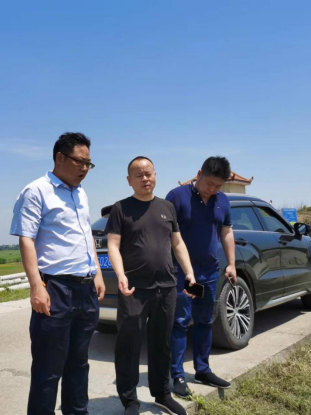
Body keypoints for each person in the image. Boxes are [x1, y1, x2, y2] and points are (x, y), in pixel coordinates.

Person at [10, 132, 106, 415]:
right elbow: (26, 239)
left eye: (89, 164)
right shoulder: (36, 191)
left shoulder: (81, 193)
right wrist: (36, 287)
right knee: (48, 368)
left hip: (85, 289)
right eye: (80, 162)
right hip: (55, 289)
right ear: (60, 158)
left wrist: (97, 272)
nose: (85, 168)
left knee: (79, 363)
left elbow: (86, 235)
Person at [106, 156, 195, 415]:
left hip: (166, 287)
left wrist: (189, 273)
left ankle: (162, 394)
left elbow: (177, 243)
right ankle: (130, 401)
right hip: (134, 289)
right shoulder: (121, 208)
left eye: (149, 173)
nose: (145, 178)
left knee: (161, 344)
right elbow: (113, 245)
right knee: (129, 344)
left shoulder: (167, 207)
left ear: (155, 175)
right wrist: (120, 274)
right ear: (129, 180)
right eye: (139, 175)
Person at [166, 156, 237, 396]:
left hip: (208, 273)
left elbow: (226, 232)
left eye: (218, 186)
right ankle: (177, 374)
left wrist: (232, 264)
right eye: (209, 183)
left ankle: (202, 370)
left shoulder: (222, 200)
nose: (212, 189)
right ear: (199, 174)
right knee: (180, 322)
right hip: (181, 274)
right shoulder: (177, 197)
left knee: (205, 321)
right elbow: (166, 235)